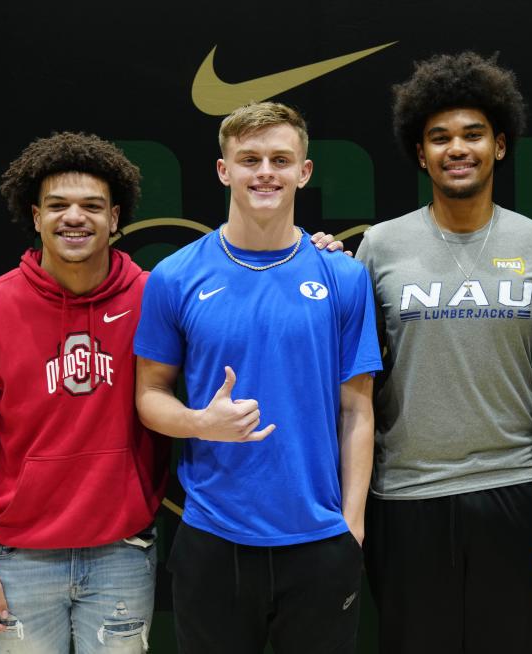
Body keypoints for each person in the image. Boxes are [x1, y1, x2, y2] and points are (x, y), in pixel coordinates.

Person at [133, 101, 380, 654]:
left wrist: (352, 527)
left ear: (303, 171)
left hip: (320, 539)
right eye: (249, 159)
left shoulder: (341, 275)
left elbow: (358, 410)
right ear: (224, 171)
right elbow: (149, 396)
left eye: (279, 159)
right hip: (213, 537)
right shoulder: (175, 276)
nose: (265, 172)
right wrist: (201, 422)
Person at [355, 51, 532, 653]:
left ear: (499, 146)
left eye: (473, 134)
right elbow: (354, 382)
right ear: (421, 153)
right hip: (405, 495)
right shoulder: (380, 246)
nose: (458, 148)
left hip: (515, 490)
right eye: (440, 137)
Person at [0, 132, 171, 652]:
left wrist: (309, 248)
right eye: (58, 205)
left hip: (121, 555)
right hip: (19, 560)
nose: (74, 217)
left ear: (114, 218)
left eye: (92, 206)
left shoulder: (155, 298)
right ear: (35, 215)